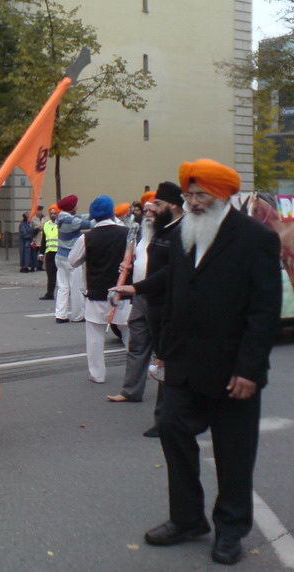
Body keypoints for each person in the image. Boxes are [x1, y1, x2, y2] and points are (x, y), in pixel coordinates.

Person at [112, 159, 282, 565]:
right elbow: (173, 283)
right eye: (189, 196)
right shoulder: (188, 232)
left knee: (234, 453)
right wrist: (138, 291)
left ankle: (231, 530)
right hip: (185, 363)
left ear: (223, 197)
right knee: (171, 430)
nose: (192, 203)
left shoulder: (255, 238)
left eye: (200, 195)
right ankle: (188, 519)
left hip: (232, 369)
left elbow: (264, 310)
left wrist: (249, 369)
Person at [69, 196, 131, 383]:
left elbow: (73, 261)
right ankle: (136, 371)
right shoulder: (127, 233)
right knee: (129, 334)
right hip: (123, 292)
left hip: (97, 292)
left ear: (94, 215)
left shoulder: (86, 237)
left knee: (95, 335)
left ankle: (97, 374)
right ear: (112, 212)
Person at [141, 182, 184, 438]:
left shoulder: (181, 231)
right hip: (155, 303)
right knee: (164, 359)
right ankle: (167, 417)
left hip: (169, 305)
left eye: (158, 203)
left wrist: (137, 288)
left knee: (167, 360)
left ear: (173, 205)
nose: (153, 208)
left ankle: (166, 419)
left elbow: (170, 272)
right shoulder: (162, 230)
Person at [107, 200, 156, 402]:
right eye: (146, 212)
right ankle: (130, 391)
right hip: (139, 295)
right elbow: (135, 260)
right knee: (136, 344)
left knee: (164, 352)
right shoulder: (141, 234)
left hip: (160, 298)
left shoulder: (169, 236)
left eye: (153, 211)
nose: (148, 215)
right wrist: (125, 268)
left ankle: (172, 398)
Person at [55, 195, 93, 323]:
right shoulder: (71, 221)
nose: (77, 206)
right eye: (76, 204)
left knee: (63, 287)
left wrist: (92, 213)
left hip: (59, 256)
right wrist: (102, 215)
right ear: (71, 208)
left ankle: (61, 314)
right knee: (76, 287)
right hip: (71, 258)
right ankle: (78, 315)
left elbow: (81, 217)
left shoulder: (61, 218)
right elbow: (90, 224)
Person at [39, 204, 59, 300]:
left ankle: (66, 293)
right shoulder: (46, 225)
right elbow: (43, 240)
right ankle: (50, 293)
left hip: (59, 253)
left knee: (62, 275)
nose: (53, 215)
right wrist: (41, 253)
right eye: (51, 213)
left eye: (55, 213)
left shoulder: (61, 224)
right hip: (50, 253)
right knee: (50, 274)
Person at [32, 206, 45, 270]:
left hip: (43, 238)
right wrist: (37, 228)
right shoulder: (33, 219)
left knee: (41, 253)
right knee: (35, 253)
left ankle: (40, 265)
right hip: (36, 239)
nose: (40, 212)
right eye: (39, 210)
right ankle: (35, 265)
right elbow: (31, 229)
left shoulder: (45, 218)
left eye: (41, 210)